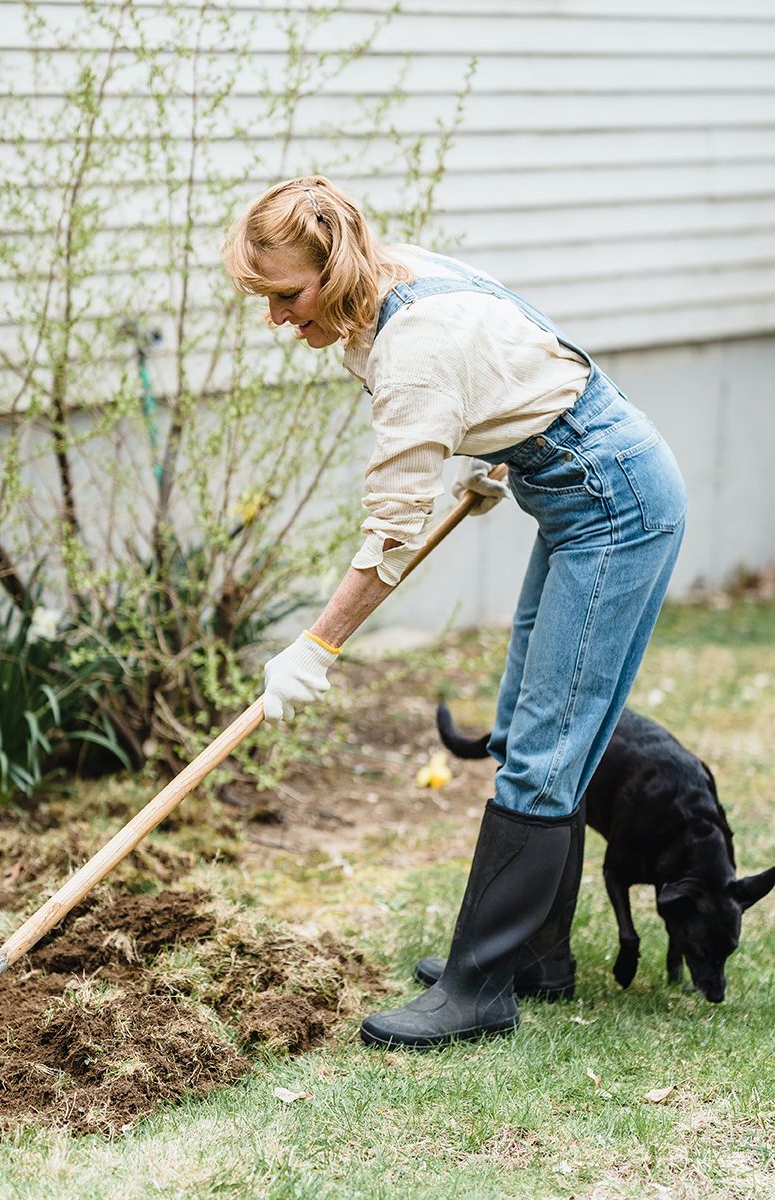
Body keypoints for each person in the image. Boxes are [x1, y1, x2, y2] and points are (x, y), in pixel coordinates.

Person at [220, 175, 686, 1050]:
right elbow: (524, 343)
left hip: (613, 503)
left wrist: (315, 647)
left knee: (547, 742)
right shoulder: (389, 281)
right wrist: (501, 455)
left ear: (338, 264)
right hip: (574, 484)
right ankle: (534, 958)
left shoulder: (413, 346)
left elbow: (390, 533)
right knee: (525, 725)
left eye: (287, 296)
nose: (278, 319)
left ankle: (479, 990)